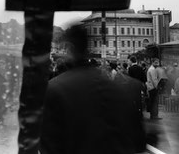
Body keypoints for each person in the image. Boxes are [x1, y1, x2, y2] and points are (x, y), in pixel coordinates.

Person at [40, 25, 145, 154]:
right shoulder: (119, 89)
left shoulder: (54, 89)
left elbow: (48, 145)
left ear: (69, 48)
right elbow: (138, 141)